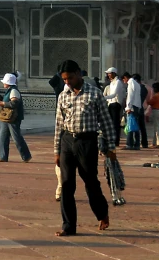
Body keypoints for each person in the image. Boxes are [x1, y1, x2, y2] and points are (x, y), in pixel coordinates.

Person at [54, 60, 117, 236]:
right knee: (66, 184)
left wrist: (111, 148)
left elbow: (106, 123)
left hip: (87, 142)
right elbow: (59, 125)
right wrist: (56, 151)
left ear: (79, 74)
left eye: (70, 78)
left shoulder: (95, 94)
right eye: (64, 79)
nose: (67, 82)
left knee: (90, 182)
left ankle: (101, 213)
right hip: (67, 141)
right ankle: (68, 226)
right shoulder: (63, 95)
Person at [0, 73, 31, 163]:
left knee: (16, 138)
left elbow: (14, 103)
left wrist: (3, 104)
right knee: (2, 137)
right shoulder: (9, 90)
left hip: (13, 118)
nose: (3, 84)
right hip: (7, 118)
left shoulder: (14, 91)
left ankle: (26, 156)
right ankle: (3, 156)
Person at [103, 67, 125, 147]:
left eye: (110, 73)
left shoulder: (118, 82)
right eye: (108, 73)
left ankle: (116, 141)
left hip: (115, 104)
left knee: (115, 124)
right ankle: (112, 140)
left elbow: (114, 94)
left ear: (114, 73)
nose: (108, 75)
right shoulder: (112, 83)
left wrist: (104, 98)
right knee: (111, 124)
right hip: (111, 104)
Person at [122, 72, 142, 150]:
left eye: (123, 79)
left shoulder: (131, 83)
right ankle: (136, 144)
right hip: (136, 106)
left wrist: (128, 107)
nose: (124, 81)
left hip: (132, 106)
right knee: (135, 126)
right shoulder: (136, 83)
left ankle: (129, 144)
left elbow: (130, 96)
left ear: (125, 77)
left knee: (130, 126)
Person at [147, 82, 159, 147]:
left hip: (156, 111)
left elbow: (149, 102)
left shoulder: (156, 96)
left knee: (157, 127)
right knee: (156, 127)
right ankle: (155, 142)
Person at [135, 74, 149, 149]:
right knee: (142, 127)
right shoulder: (144, 88)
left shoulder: (139, 88)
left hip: (137, 108)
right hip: (141, 108)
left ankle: (136, 143)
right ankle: (144, 143)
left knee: (136, 126)